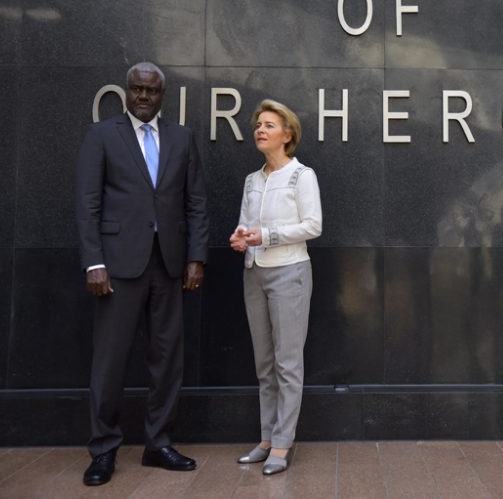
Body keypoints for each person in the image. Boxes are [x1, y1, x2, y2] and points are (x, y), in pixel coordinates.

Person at [75, 61, 209, 486]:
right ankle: (103, 450)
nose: (143, 97)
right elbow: (87, 203)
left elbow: (196, 203)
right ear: (126, 92)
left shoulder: (182, 138)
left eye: (151, 91)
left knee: (167, 359)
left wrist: (195, 257)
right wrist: (94, 261)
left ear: (162, 95)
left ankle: (158, 443)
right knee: (110, 361)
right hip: (117, 266)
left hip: (168, 265)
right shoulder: (102, 135)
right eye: (136, 90)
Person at [230, 99, 322, 476]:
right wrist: (240, 237)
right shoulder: (253, 180)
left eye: (269, 125)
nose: (260, 130)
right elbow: (244, 225)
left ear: (288, 134)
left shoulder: (303, 176)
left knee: (287, 364)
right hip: (254, 273)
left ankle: (282, 444)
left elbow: (313, 226)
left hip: (290, 274)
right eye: (258, 125)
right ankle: (267, 439)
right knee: (264, 365)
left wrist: (266, 235)